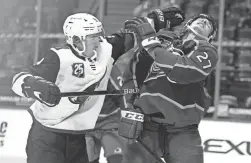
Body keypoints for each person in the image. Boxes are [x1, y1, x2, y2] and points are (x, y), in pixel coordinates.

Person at [11, 8, 185, 163]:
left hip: (77, 137)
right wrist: (34, 86)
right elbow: (20, 77)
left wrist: (155, 20)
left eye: (97, 34)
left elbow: (131, 35)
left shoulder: (105, 49)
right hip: (47, 137)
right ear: (77, 40)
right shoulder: (58, 57)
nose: (98, 39)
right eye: (92, 36)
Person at [84, 7, 185, 163]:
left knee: (118, 157)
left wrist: (151, 23)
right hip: (84, 125)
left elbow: (122, 93)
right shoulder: (68, 63)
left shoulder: (108, 61)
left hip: (110, 123)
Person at [118, 13, 218, 163]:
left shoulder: (207, 51)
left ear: (210, 37)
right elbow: (132, 71)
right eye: (200, 19)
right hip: (145, 124)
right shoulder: (162, 39)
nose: (204, 21)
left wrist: (151, 42)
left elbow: (181, 72)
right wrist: (130, 104)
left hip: (183, 130)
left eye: (209, 24)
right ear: (188, 24)